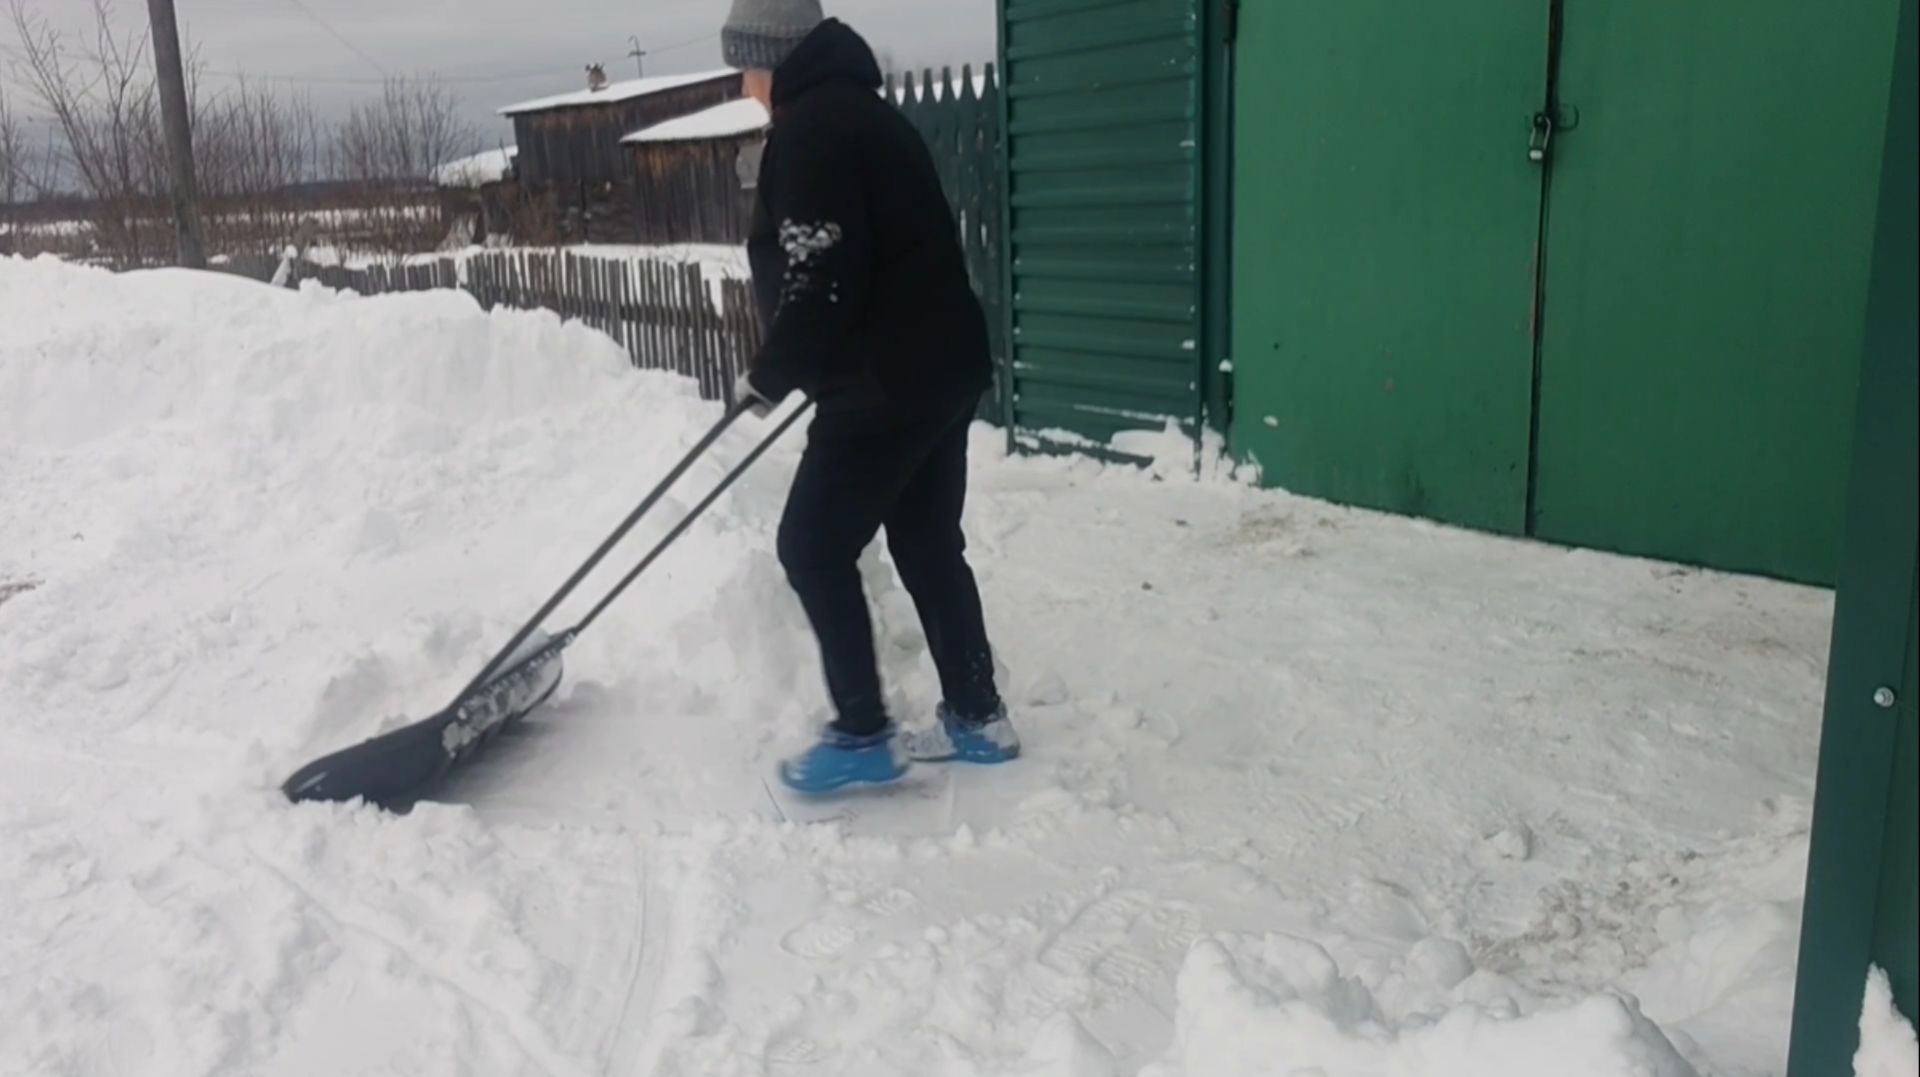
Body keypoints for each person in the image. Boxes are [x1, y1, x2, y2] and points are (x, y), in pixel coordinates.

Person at [722, 0, 1020, 792]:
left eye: (745, 66)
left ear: (773, 58)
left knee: (810, 546)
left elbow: (821, 281)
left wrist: (769, 372)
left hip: (883, 383)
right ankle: (977, 715)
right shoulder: (866, 115)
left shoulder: (812, 132)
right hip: (940, 367)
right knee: (926, 543)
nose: (745, 85)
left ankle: (861, 734)